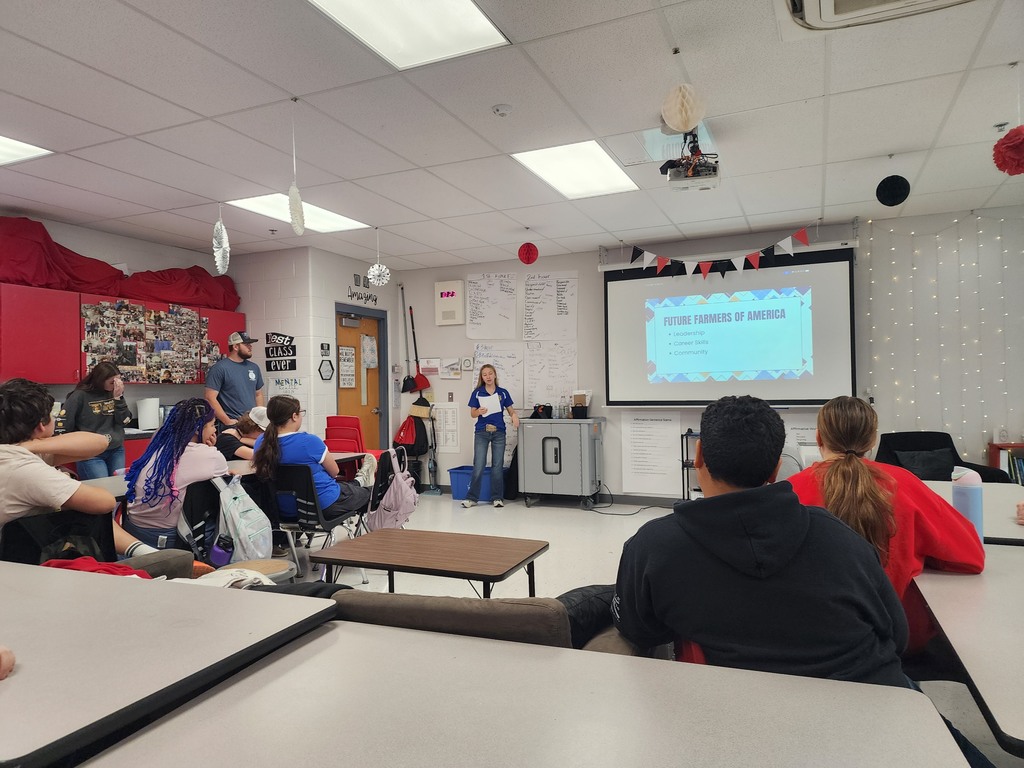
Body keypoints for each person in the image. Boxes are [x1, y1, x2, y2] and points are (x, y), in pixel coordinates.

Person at [613, 394, 910, 686]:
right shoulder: (840, 537)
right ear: (775, 469)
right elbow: (896, 634)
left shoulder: (653, 547)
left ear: (698, 455)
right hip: (880, 704)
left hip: (744, 715)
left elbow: (638, 631)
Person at [786, 395, 985, 652]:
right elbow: (971, 558)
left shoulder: (789, 492)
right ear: (872, 441)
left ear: (819, 438)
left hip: (810, 641)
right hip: (897, 639)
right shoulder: (904, 483)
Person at [0, 378, 190, 573]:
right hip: (23, 566)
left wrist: (31, 446)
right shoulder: (23, 467)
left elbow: (98, 442)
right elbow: (105, 503)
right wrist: (65, 481)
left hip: (26, 555)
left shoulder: (12, 454)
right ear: (41, 425)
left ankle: (142, 551)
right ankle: (143, 552)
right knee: (82, 506)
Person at [122, 397, 229, 549]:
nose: (215, 430)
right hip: (172, 537)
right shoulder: (210, 456)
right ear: (198, 429)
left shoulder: (157, 445)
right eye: (212, 425)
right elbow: (225, 483)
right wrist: (209, 448)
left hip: (133, 531)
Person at [253, 396, 376, 521]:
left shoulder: (261, 443)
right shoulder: (309, 441)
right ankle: (361, 481)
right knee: (374, 493)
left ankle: (359, 481)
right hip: (324, 505)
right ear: (294, 416)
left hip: (284, 511)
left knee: (347, 488)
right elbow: (335, 472)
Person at [56, 361, 132, 479]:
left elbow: (125, 421)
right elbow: (63, 424)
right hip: (91, 454)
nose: (116, 386)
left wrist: (118, 398)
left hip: (116, 449)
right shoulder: (80, 396)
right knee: (102, 490)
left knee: (118, 490)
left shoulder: (115, 393)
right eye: (112, 382)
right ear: (100, 380)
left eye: (118, 381)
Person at [462, 364, 519, 509]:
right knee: (479, 465)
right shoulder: (477, 392)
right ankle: (472, 498)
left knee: (497, 466)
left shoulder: (503, 393)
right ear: (482, 377)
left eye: (490, 373)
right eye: (484, 374)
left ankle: (497, 497)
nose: (488, 376)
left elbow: (511, 410)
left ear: (495, 375)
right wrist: (479, 412)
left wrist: (514, 416)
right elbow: (472, 413)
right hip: (482, 432)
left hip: (499, 432)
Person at [204, 330, 264, 428]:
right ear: (235, 347)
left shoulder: (254, 367)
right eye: (246, 344)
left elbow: (258, 394)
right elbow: (210, 398)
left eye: (250, 344)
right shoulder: (220, 368)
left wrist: (260, 418)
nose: (250, 347)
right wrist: (227, 421)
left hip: (252, 424)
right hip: (232, 424)